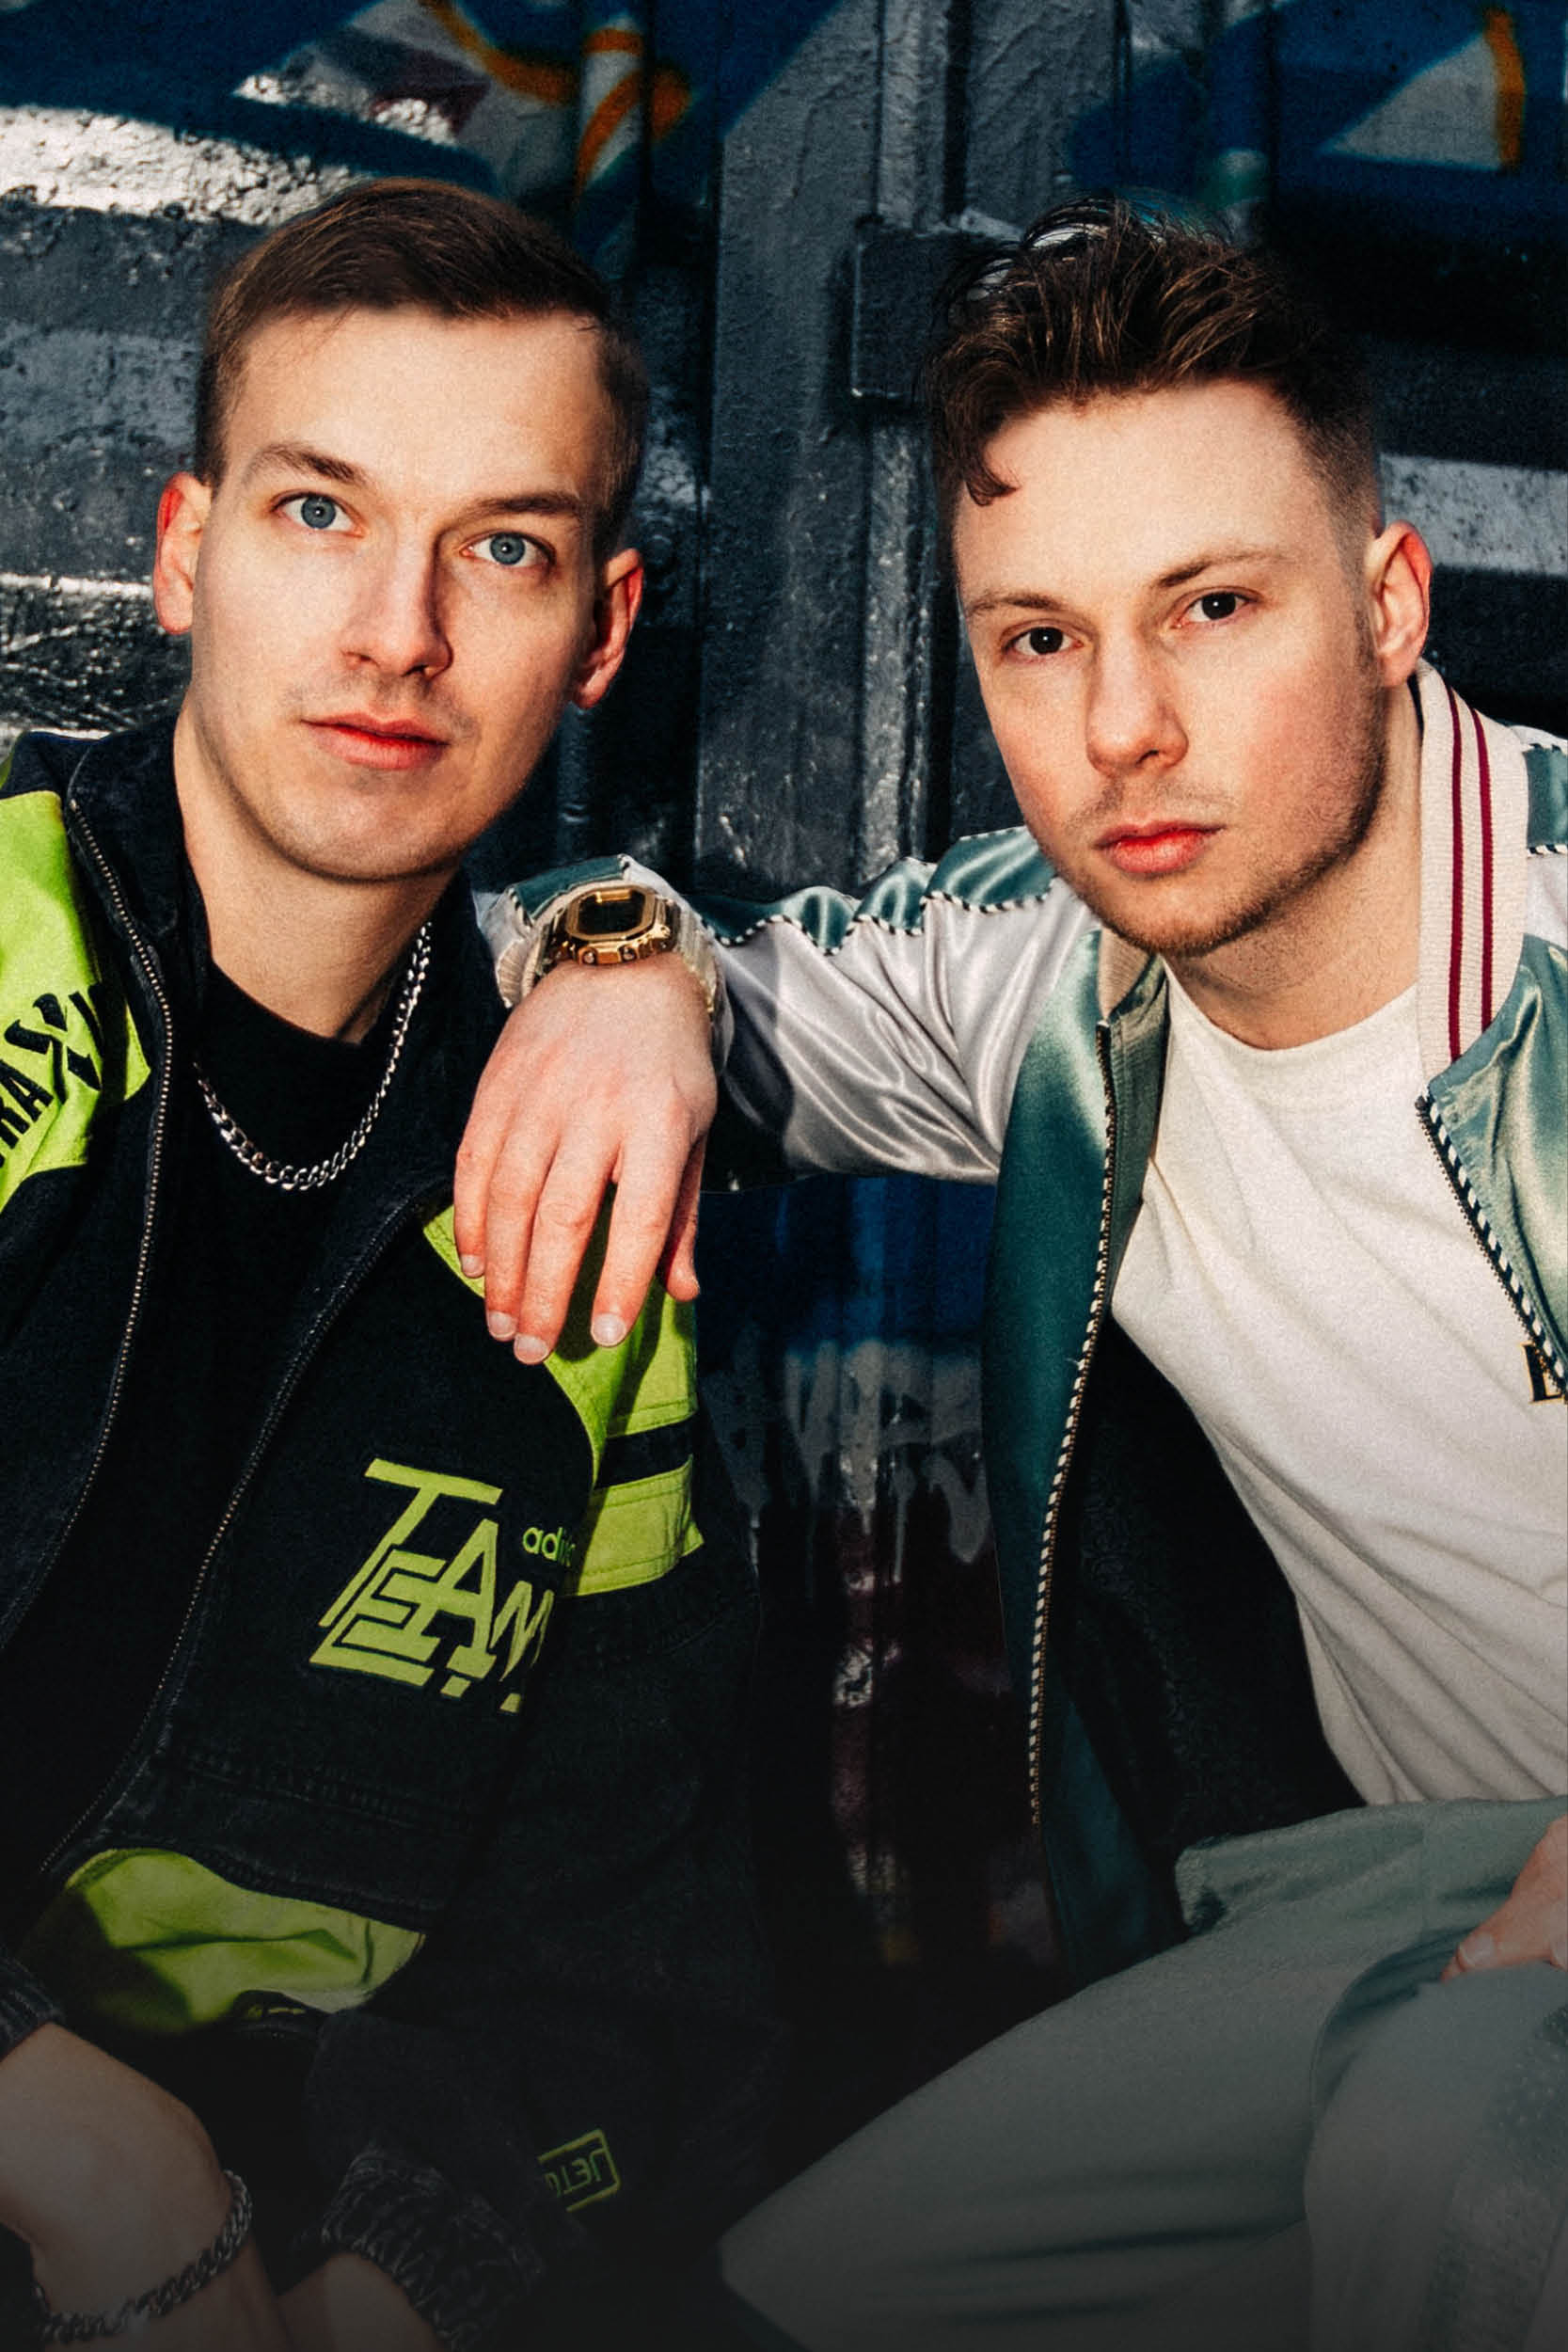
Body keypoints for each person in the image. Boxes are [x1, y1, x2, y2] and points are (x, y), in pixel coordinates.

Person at [457, 201, 1568, 2348]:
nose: (1124, 726)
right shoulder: (1046, 982)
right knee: (775, 2309)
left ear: (1388, 603)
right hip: (1376, 1899)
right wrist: (623, 958)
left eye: (1213, 608)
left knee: (1460, 2164)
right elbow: (584, 957)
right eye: (1040, 639)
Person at [0, 178, 774, 2351]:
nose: (398, 631)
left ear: (601, 629)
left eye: (502, 548)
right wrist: (87, 2149)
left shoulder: (579, 1188)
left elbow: (634, 1964)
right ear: (185, 552)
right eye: (321, 512)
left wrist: (393, 2276)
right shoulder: (13, 954)